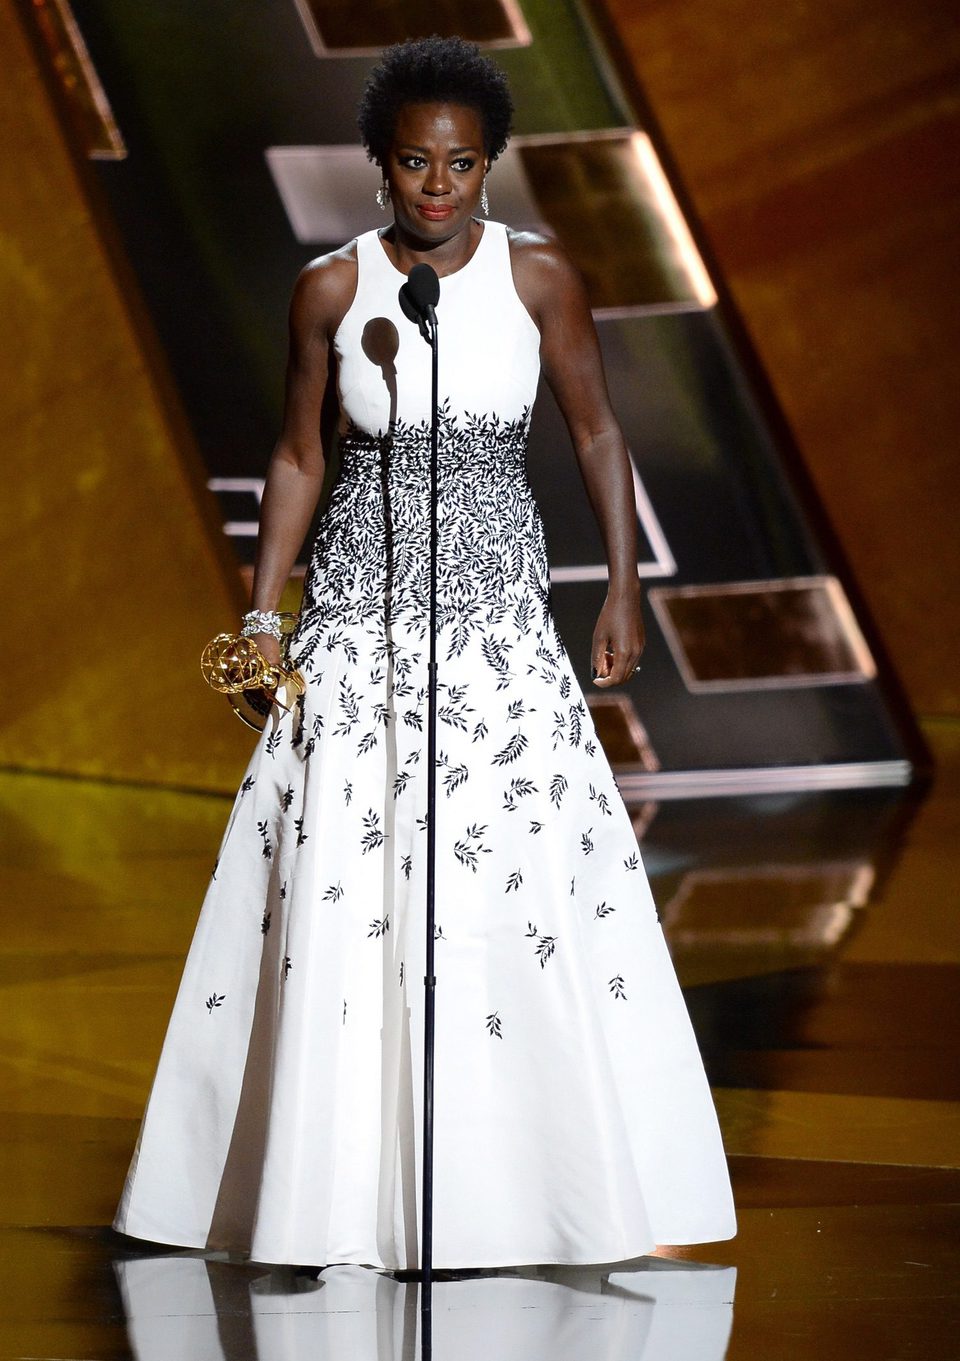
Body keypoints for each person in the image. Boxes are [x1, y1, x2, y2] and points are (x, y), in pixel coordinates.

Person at [114, 36, 736, 1272]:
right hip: (360, 609)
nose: (437, 186)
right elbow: (299, 455)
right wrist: (260, 615)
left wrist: (618, 583)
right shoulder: (334, 293)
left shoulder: (541, 279)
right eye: (414, 163)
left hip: (499, 617)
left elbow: (601, 430)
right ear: (381, 167)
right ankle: (336, 1187)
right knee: (350, 872)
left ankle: (530, 1185)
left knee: (514, 877)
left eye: (460, 163)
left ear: (491, 164)